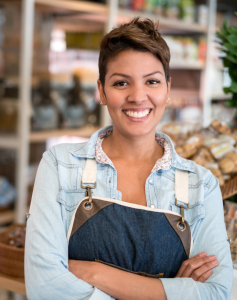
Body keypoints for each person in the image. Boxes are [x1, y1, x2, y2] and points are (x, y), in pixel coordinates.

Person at [25, 18, 233, 300]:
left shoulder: (201, 185)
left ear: (168, 89)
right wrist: (170, 292)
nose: (138, 96)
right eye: (121, 82)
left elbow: (218, 293)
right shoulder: (60, 166)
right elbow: (45, 287)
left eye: (152, 81)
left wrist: (96, 274)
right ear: (101, 91)